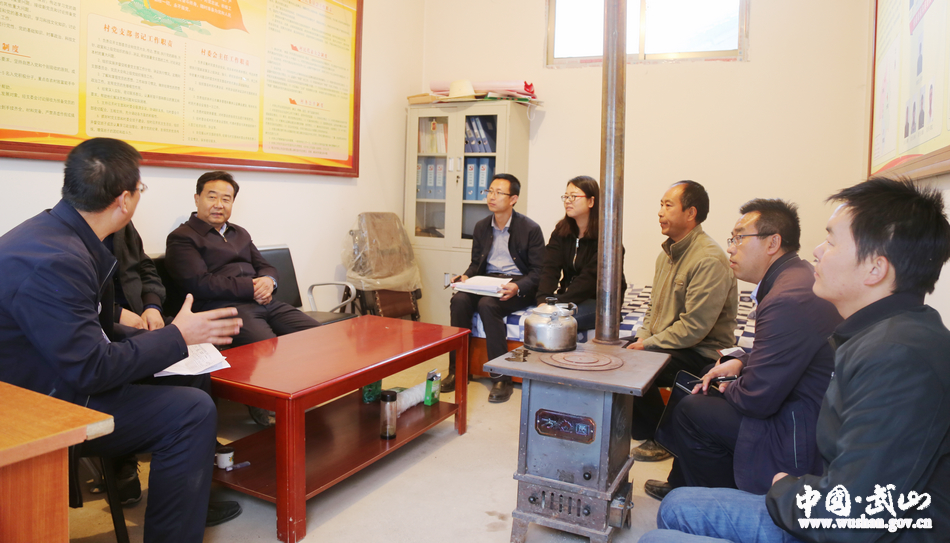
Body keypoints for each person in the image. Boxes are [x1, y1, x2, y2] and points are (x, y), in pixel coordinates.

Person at [642, 178, 950, 543]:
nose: (817, 251)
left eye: (832, 242)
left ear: (875, 269)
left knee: (655, 535)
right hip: (824, 492)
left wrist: (784, 488)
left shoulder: (898, 359)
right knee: (675, 506)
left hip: (843, 521)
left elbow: (853, 517)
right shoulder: (886, 332)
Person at [0, 138, 245, 542]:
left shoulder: (61, 234)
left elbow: (90, 328)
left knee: (189, 373)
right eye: (139, 188)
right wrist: (177, 335)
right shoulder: (57, 261)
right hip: (41, 401)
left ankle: (188, 501)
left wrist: (170, 341)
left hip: (57, 371)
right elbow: (92, 369)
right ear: (124, 199)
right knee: (192, 411)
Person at [642, 199, 841, 501]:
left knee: (692, 408)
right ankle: (682, 481)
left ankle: (717, 504)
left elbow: (756, 399)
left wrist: (726, 385)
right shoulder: (794, 277)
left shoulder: (786, 297)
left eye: (739, 238)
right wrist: (740, 363)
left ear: (773, 243)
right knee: (705, 377)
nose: (731, 248)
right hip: (796, 403)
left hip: (798, 428)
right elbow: (788, 350)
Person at [625, 180, 738, 462]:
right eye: (660, 205)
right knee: (618, 353)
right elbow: (652, 308)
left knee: (638, 362)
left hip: (700, 350)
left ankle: (662, 438)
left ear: (691, 213)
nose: (660, 212)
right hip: (670, 343)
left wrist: (647, 346)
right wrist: (642, 337)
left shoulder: (708, 259)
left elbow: (694, 328)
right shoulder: (666, 255)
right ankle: (646, 429)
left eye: (668, 205)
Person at [164, 171, 320, 348]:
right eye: (212, 197)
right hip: (224, 309)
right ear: (197, 199)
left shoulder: (239, 233)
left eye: (226, 199)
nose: (218, 205)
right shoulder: (182, 237)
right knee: (270, 350)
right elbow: (199, 283)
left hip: (264, 303)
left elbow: (265, 266)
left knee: (320, 335)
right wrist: (251, 288)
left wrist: (269, 281)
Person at [445, 173, 545, 403]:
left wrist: (517, 286)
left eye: (499, 193)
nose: (491, 196)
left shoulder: (530, 229)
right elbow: (476, 264)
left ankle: (502, 378)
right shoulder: (481, 227)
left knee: (488, 305)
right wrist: (466, 276)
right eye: (489, 191)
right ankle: (457, 370)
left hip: (518, 284)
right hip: (487, 281)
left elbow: (539, 272)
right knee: (459, 300)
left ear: (513, 199)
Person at [536, 175, 626, 330]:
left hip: (600, 301)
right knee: (540, 318)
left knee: (559, 322)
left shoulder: (607, 236)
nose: (567, 201)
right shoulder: (561, 231)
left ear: (591, 201)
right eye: (566, 196)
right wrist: (544, 301)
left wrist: (558, 304)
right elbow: (549, 268)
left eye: (574, 196)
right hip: (568, 298)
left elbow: (590, 280)